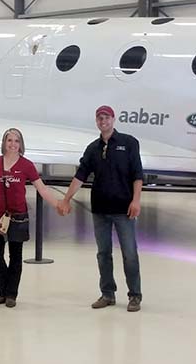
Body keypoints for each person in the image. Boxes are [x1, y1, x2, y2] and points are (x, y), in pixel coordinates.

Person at [0, 128, 63, 308]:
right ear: (4, 143)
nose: (13, 144)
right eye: (9, 140)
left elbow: (42, 189)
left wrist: (57, 204)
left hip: (17, 217)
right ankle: (3, 291)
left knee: (15, 257)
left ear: (21, 144)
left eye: (16, 141)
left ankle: (11, 294)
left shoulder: (27, 165)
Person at [59, 106, 145, 312]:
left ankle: (135, 295)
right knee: (103, 253)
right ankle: (107, 294)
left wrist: (136, 201)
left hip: (123, 210)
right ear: (96, 122)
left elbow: (137, 174)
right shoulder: (92, 148)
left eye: (106, 117)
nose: (103, 121)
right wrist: (66, 199)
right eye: (99, 118)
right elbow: (80, 175)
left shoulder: (129, 143)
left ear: (113, 119)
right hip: (100, 210)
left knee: (130, 254)